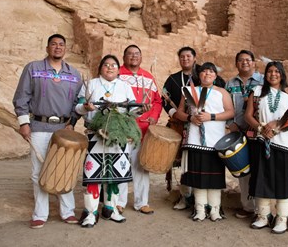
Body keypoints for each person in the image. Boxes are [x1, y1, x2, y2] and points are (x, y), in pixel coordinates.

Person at [13, 34, 82, 229]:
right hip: (39, 126)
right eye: (54, 44)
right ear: (47, 48)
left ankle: (67, 212)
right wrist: (24, 123)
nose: (58, 47)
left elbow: (80, 102)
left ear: (65, 49)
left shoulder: (75, 74)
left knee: (65, 169)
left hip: (64, 129)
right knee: (39, 171)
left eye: (61, 45)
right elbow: (21, 97)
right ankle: (40, 214)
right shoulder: (33, 68)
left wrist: (73, 122)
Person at [75, 54, 140, 227]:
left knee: (115, 175)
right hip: (95, 134)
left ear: (118, 69)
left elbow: (133, 110)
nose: (110, 67)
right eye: (106, 64)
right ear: (100, 68)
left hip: (118, 136)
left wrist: (140, 109)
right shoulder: (90, 84)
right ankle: (91, 212)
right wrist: (85, 107)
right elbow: (78, 106)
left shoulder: (124, 86)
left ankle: (110, 210)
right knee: (93, 175)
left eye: (113, 65)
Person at [175, 62, 235, 222]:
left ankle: (215, 208)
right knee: (198, 175)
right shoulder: (189, 91)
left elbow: (230, 112)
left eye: (211, 71)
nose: (207, 74)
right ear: (199, 74)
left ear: (215, 75)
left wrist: (212, 117)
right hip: (194, 139)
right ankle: (200, 208)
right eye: (204, 71)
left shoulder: (222, 92)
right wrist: (190, 118)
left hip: (215, 141)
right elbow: (179, 113)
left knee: (215, 175)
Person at [244, 61, 288, 233]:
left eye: (277, 71)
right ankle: (263, 215)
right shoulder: (258, 91)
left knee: (281, 179)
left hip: (282, 141)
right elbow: (247, 115)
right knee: (262, 177)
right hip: (262, 140)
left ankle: (282, 218)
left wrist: (277, 125)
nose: (273, 74)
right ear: (265, 74)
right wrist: (261, 129)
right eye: (269, 71)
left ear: (282, 74)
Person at [117, 45, 162, 215]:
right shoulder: (118, 75)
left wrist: (154, 117)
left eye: (137, 54)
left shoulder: (148, 77)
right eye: (130, 54)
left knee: (141, 166)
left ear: (141, 58)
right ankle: (119, 202)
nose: (133, 57)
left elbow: (157, 101)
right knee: (120, 165)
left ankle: (141, 202)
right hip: (122, 128)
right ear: (124, 57)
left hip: (143, 130)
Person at [225, 50, 264, 219]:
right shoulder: (230, 83)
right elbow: (224, 106)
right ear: (236, 64)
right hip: (238, 131)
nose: (244, 63)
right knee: (243, 170)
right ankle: (248, 207)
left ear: (254, 63)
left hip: (258, 131)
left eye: (248, 60)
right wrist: (229, 124)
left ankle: (262, 209)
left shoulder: (263, 81)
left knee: (260, 168)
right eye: (240, 60)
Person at [162, 46, 198, 210]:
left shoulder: (204, 75)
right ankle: (185, 196)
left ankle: (200, 198)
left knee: (199, 161)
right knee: (183, 161)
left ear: (194, 58)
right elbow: (164, 98)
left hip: (199, 126)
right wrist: (174, 113)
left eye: (188, 56)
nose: (185, 59)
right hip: (179, 124)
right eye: (182, 57)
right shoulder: (172, 78)